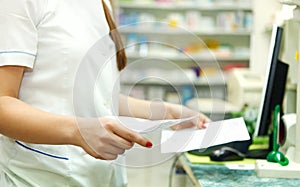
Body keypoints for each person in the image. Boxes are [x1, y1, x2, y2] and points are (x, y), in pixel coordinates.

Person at [0, 0, 210, 186]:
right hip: (39, 176)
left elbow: (97, 95)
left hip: (102, 174)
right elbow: (3, 103)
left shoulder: (102, 3)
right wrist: (77, 131)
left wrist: (165, 112)